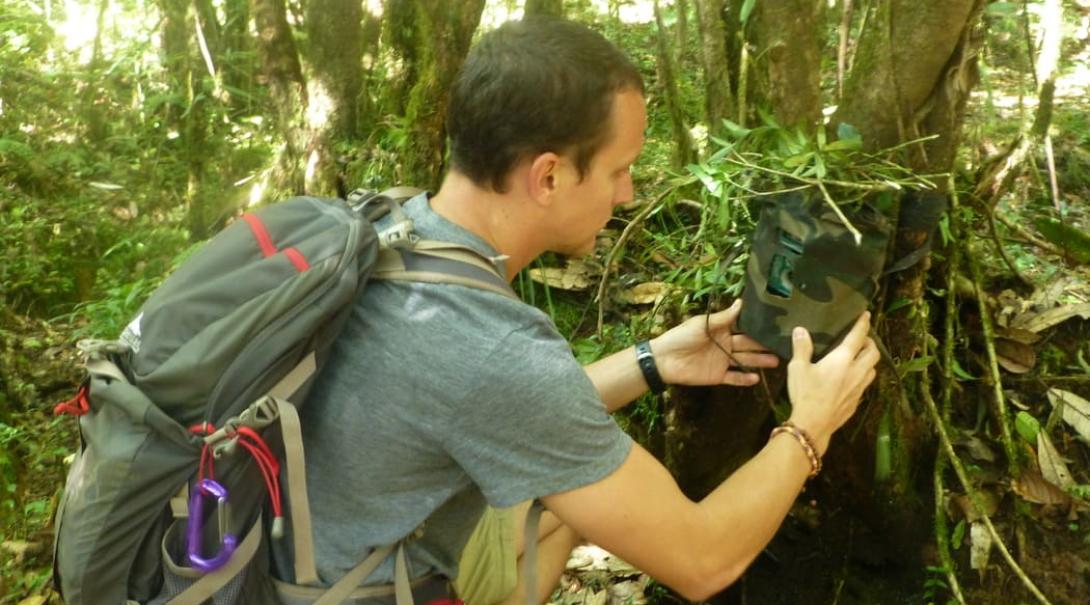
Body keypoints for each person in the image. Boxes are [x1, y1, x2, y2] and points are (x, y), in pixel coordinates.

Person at [281, 15, 880, 605]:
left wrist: (652, 360)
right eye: (619, 170)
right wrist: (812, 424)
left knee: (567, 502)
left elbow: (494, 405)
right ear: (548, 176)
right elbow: (703, 559)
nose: (629, 194)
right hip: (350, 587)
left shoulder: (392, 224)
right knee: (573, 501)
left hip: (294, 549)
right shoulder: (490, 347)